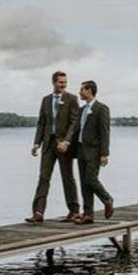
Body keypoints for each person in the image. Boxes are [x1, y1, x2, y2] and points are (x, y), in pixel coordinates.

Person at [26, 71, 81, 223]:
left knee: (67, 177)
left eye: (65, 82)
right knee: (43, 178)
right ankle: (38, 213)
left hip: (64, 145)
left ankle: (74, 210)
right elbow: (41, 123)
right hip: (48, 144)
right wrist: (37, 143)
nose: (63, 85)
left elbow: (74, 123)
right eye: (60, 82)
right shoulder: (45, 100)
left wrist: (67, 141)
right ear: (54, 83)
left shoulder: (72, 99)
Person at [71, 80, 114, 224]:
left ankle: (107, 199)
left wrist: (104, 154)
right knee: (84, 183)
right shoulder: (82, 109)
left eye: (82, 89)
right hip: (81, 150)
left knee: (91, 179)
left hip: (94, 152)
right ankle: (88, 215)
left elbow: (105, 132)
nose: (80, 92)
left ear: (89, 91)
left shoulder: (101, 108)